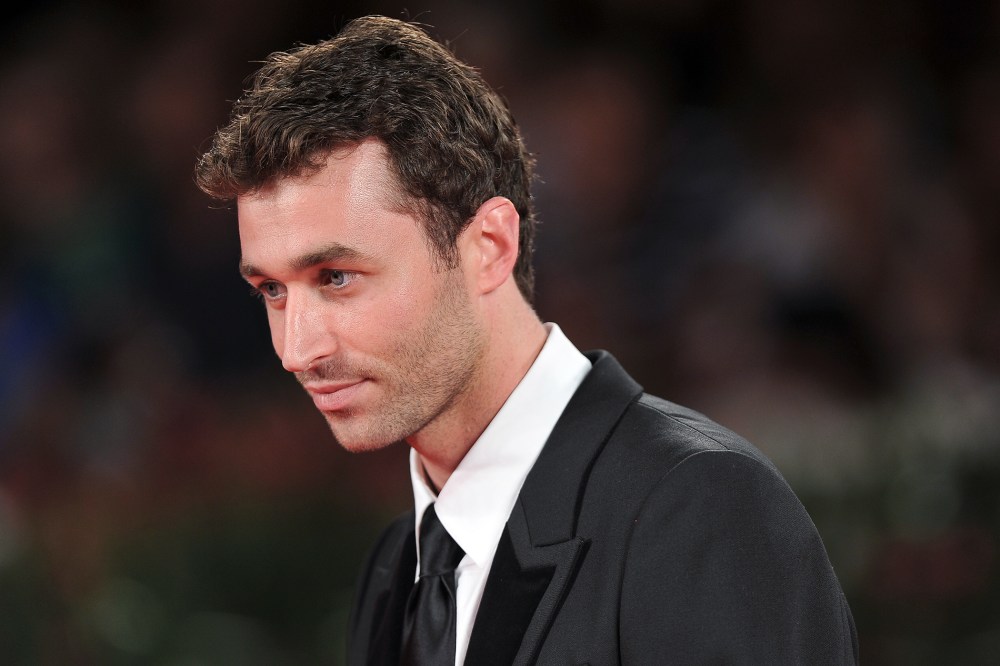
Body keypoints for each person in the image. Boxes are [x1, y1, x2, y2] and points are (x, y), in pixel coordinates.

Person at [195, 15, 859, 665]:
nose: (296, 349)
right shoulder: (397, 569)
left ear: (490, 247)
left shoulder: (699, 507)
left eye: (336, 277)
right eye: (272, 291)